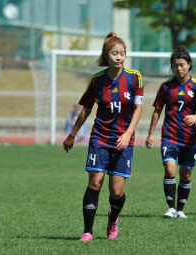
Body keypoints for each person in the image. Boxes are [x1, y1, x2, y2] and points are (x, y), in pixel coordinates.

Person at [63, 32, 143, 241]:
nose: (118, 57)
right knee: (95, 182)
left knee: (116, 192)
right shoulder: (97, 80)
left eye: (122, 53)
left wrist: (127, 134)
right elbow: (86, 109)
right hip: (100, 137)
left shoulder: (135, 77)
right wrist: (72, 135)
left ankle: (113, 218)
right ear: (106, 55)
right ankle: (87, 231)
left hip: (123, 140)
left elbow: (138, 109)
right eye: (114, 53)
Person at [146, 46, 196, 219]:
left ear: (189, 64)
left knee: (186, 173)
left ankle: (180, 209)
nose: (179, 68)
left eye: (182, 65)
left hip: (189, 139)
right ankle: (171, 207)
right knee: (169, 168)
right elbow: (157, 111)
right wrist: (150, 134)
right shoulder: (166, 87)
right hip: (170, 136)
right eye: (175, 65)